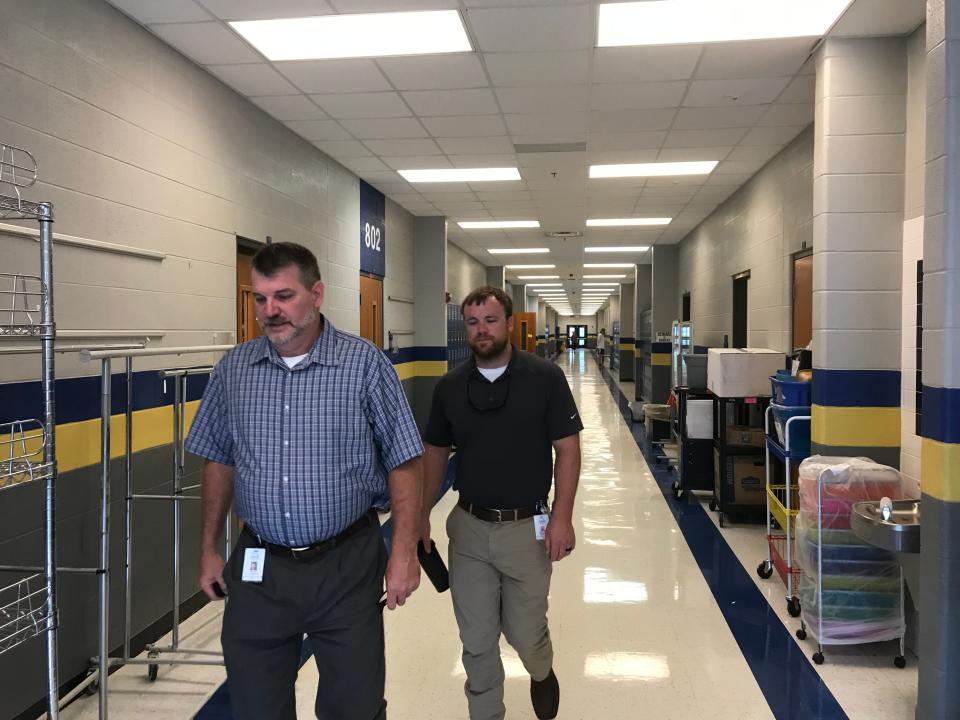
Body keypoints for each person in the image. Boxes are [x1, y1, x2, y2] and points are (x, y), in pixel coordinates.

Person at [185, 242, 423, 720]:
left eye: (284, 296)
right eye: (260, 298)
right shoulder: (235, 370)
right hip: (260, 566)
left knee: (353, 705)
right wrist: (210, 547)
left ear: (316, 294)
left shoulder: (364, 365)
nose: (270, 311)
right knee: (255, 702)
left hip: (346, 564)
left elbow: (405, 462)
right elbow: (218, 459)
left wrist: (404, 551)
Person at [420, 286, 583, 720]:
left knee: (525, 633)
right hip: (469, 528)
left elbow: (567, 450)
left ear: (510, 324)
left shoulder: (544, 378)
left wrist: (562, 518)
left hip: (528, 528)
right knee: (476, 640)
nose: (481, 331)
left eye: (490, 321)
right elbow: (435, 454)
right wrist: (419, 516)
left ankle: (542, 671)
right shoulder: (451, 387)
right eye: (472, 323)